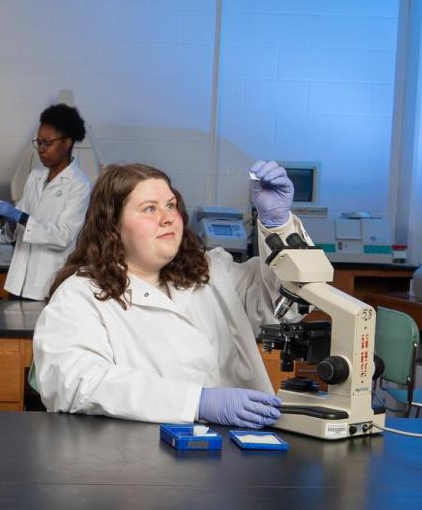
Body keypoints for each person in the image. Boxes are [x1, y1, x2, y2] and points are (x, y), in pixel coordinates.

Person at [33, 160, 303, 427]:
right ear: (112, 226)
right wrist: (195, 403)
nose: (167, 217)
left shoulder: (212, 272)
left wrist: (278, 224)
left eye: (170, 205)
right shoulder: (81, 295)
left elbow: (282, 307)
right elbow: (74, 381)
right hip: (145, 458)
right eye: (149, 208)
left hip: (244, 448)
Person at [0, 103, 89, 301]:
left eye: (47, 143)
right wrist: (11, 221)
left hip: (46, 284)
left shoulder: (79, 184)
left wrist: (20, 216)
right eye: (38, 142)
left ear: (67, 142)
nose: (41, 150)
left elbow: (63, 236)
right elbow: (18, 231)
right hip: (17, 281)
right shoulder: (35, 176)